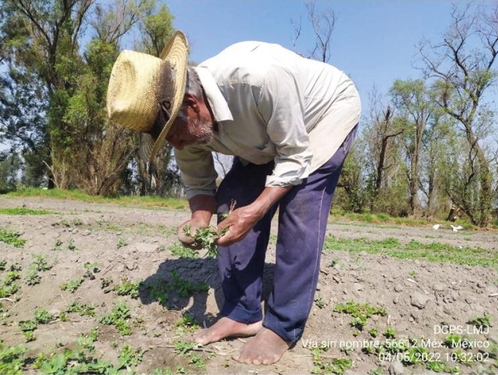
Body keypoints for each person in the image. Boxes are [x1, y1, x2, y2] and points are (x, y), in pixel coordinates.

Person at [107, 31, 361, 366]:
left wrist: (257, 211)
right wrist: (199, 220)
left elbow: (295, 157)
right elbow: (199, 181)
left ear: (192, 105)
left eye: (175, 135)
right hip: (268, 136)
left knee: (300, 207)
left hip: (323, 115)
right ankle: (243, 312)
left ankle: (283, 326)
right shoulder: (183, 124)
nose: (178, 147)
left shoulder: (257, 79)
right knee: (234, 198)